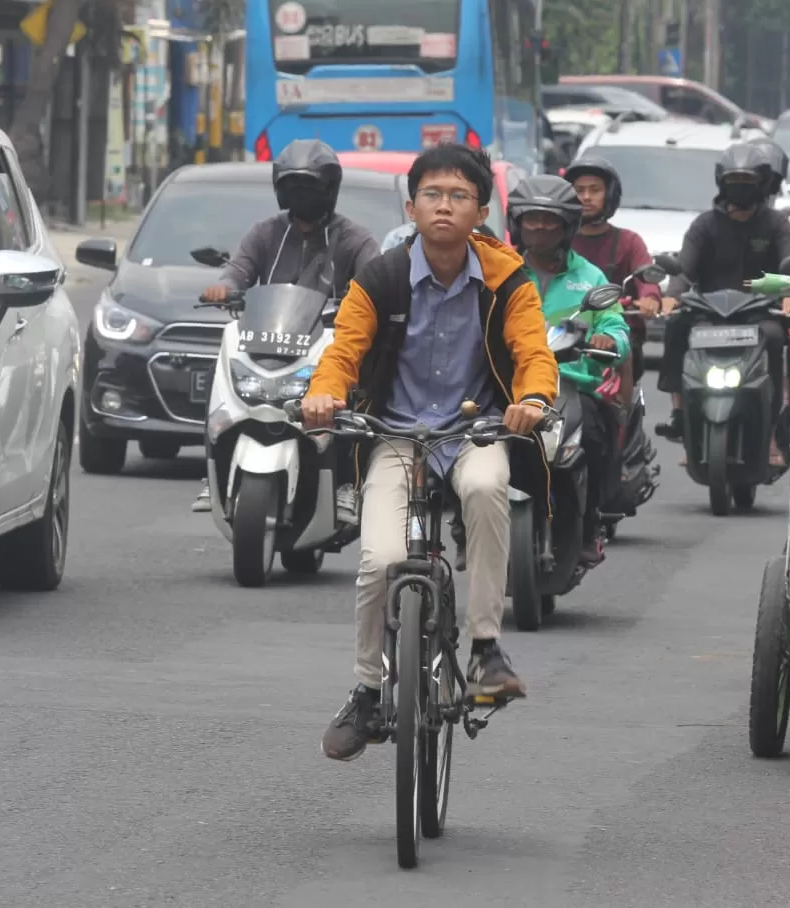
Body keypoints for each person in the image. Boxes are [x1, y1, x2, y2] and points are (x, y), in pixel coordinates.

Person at [301, 144, 558, 762]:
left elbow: (533, 353)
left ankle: (486, 649)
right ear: (412, 206)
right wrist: (324, 395)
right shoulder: (382, 276)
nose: (445, 206)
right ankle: (366, 690)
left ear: (481, 209)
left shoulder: (508, 280)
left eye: (460, 196)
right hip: (395, 435)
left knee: (484, 487)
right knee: (381, 559)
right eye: (433, 196)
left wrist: (532, 399)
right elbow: (343, 351)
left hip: (475, 433)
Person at [192, 139, 380, 515]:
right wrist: (225, 289)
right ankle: (214, 467)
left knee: (356, 401)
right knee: (222, 387)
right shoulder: (265, 233)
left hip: (329, 342)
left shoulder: (355, 239)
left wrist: (364, 303)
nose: (301, 194)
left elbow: (374, 282)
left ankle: (348, 482)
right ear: (280, 189)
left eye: (309, 186)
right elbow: (238, 272)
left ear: (329, 189)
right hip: (268, 338)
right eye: (293, 186)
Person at [509, 174, 631, 565]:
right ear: (518, 223)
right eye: (532, 219)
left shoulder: (590, 279)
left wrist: (608, 341)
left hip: (572, 385)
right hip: (509, 385)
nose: (541, 227)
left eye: (551, 220)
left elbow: (614, 323)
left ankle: (591, 522)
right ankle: (464, 524)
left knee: (596, 435)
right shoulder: (503, 272)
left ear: (568, 227)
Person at [654, 143, 790, 464]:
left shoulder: (777, 224)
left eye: (748, 182)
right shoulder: (704, 225)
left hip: (761, 313)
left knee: (774, 337)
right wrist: (672, 296)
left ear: (763, 184)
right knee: (677, 327)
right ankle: (681, 414)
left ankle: (772, 431)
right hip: (709, 312)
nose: (740, 189)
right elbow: (684, 268)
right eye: (734, 181)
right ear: (721, 183)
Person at [563, 155, 661, 400]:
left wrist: (649, 298)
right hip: (561, 331)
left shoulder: (628, 241)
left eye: (594, 190)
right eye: (579, 190)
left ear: (610, 194)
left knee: (623, 356)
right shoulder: (559, 240)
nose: (586, 197)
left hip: (615, 334)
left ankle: (620, 425)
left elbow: (646, 276)